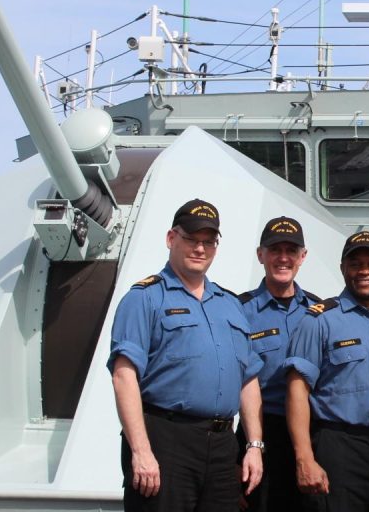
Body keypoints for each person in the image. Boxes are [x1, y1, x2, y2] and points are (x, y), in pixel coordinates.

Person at [107, 199, 264, 511]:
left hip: (222, 445)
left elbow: (248, 379)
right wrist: (141, 451)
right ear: (171, 238)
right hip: (166, 441)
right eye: (191, 239)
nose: (200, 249)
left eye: (209, 241)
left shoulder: (229, 304)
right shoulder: (144, 298)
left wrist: (254, 445)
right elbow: (124, 376)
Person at [283, 230, 369, 512]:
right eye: (355, 263)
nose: (364, 271)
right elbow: (297, 389)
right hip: (338, 449)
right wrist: (304, 458)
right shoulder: (320, 321)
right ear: (343, 268)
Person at [236, 216, 319, 511]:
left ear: (302, 257)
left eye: (291, 251)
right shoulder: (240, 310)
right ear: (261, 255)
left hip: (313, 433)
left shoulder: (319, 312)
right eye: (275, 250)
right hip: (261, 432)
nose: (283, 258)